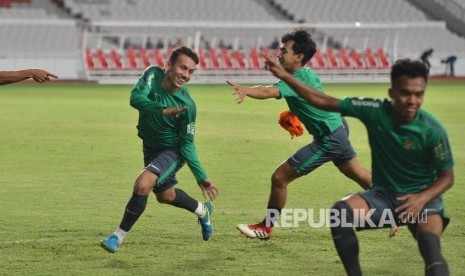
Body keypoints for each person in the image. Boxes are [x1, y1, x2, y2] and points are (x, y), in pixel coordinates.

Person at [264, 56, 454, 276]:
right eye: (405, 93)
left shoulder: (433, 130)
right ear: (391, 93)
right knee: (340, 213)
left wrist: (420, 199)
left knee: (430, 250)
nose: (412, 100)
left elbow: (447, 178)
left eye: (419, 94)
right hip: (385, 196)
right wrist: (286, 77)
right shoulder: (374, 110)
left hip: (424, 199)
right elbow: (323, 101)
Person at [228, 29, 372, 240]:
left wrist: (246, 90)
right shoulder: (307, 73)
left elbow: (268, 91)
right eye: (280, 49)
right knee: (356, 172)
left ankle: (266, 227)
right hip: (338, 126)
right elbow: (311, 98)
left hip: (329, 138)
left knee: (279, 178)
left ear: (299, 56)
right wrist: (296, 112)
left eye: (284, 50)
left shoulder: (294, 80)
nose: (279, 54)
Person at [101, 45, 219, 253]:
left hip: (172, 150)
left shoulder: (187, 105)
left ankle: (117, 237)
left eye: (191, 71)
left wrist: (201, 176)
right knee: (164, 195)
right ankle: (202, 211)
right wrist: (161, 110)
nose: (186, 75)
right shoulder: (153, 74)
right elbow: (135, 98)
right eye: (182, 68)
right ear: (169, 65)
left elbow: (187, 144)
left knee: (143, 184)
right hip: (150, 147)